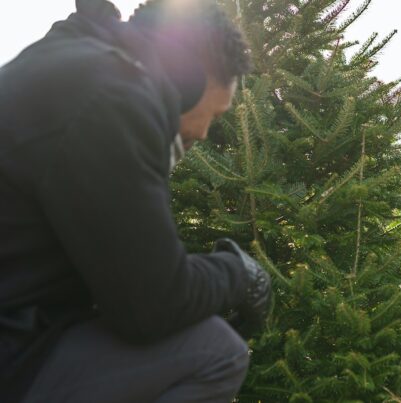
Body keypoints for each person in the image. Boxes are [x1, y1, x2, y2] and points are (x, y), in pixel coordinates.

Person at [0, 1, 272, 402]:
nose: (203, 132)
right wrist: (240, 274)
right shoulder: (113, 100)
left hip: (20, 327)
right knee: (216, 351)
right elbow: (152, 307)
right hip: (13, 354)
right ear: (187, 77)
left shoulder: (71, 64)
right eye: (214, 113)